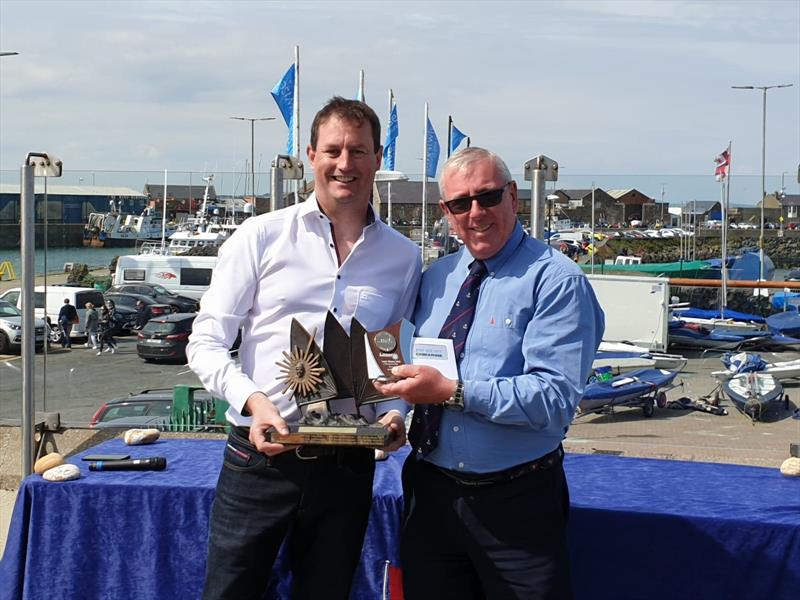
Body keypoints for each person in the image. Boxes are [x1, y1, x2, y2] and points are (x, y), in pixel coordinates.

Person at [187, 97, 422, 600]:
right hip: (260, 461)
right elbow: (205, 340)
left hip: (348, 467)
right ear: (310, 154)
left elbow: (393, 353)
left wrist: (399, 412)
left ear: (378, 158)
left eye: (358, 151)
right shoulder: (261, 236)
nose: (345, 164)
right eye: (333, 149)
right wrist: (254, 402)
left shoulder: (403, 257)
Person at [375, 147, 605, 599]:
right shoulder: (436, 278)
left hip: (516, 503)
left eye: (487, 197)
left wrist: (451, 392)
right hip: (430, 496)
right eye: (461, 203)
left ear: (513, 196)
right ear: (446, 212)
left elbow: (554, 398)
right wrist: (397, 413)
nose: (475, 213)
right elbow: (414, 366)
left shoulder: (556, 280)